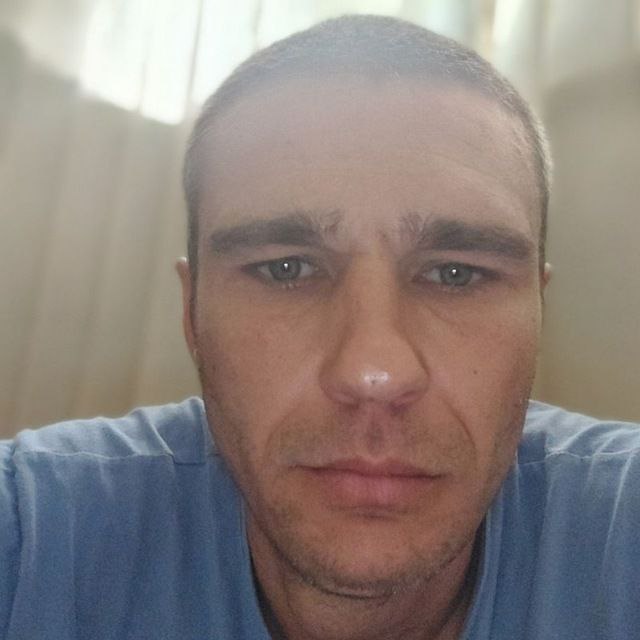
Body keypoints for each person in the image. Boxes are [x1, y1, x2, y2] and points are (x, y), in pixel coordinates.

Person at [1, 14, 638, 640]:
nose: (374, 372)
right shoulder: (29, 532)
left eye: (455, 274)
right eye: (286, 269)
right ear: (192, 313)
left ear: (538, 314)